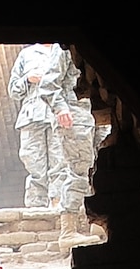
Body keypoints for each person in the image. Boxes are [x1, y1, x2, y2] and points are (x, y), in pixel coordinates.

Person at [7, 40, 88, 213]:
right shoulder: (26, 54)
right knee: (33, 161)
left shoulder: (65, 51)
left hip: (58, 115)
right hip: (31, 116)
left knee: (59, 160)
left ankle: (57, 203)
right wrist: (28, 79)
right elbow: (13, 90)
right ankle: (36, 207)